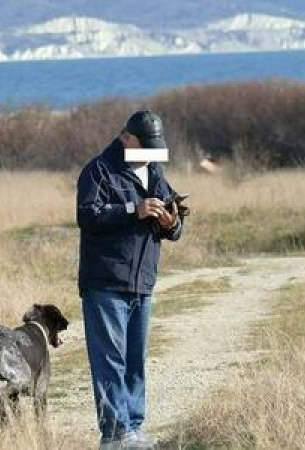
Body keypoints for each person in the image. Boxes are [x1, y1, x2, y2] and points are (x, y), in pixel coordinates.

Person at [77, 110, 188, 449]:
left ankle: (134, 430)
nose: (151, 153)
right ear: (126, 138)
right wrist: (132, 210)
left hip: (143, 283)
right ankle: (114, 434)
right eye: (146, 145)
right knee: (110, 360)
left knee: (135, 361)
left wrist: (171, 223)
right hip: (105, 283)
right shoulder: (98, 170)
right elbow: (87, 216)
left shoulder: (155, 172)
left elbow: (174, 228)